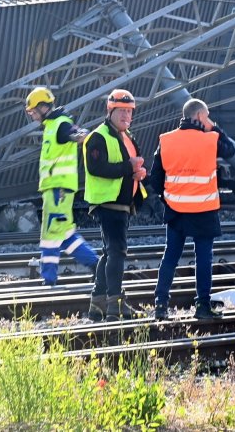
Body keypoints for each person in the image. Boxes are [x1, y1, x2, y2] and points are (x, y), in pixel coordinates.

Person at [149, 97, 235, 321]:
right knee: (203, 258)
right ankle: (202, 306)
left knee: (170, 256)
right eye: (206, 116)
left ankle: (160, 304)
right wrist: (214, 128)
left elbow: (156, 177)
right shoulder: (211, 139)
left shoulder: (166, 140)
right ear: (198, 116)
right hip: (204, 210)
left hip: (175, 209)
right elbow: (231, 151)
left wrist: (167, 196)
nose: (208, 121)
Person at [82, 89, 148, 321]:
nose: (126, 116)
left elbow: (128, 166)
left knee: (109, 253)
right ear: (110, 111)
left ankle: (97, 303)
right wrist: (128, 168)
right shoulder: (98, 137)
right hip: (107, 203)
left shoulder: (127, 137)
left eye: (129, 112)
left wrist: (138, 173)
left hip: (121, 204)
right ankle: (115, 304)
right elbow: (96, 168)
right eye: (121, 111)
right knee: (117, 252)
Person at [24, 86, 99, 287]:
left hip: (59, 189)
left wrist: (81, 134)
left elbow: (75, 132)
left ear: (42, 107)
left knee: (50, 233)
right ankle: (97, 265)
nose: (32, 116)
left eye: (33, 112)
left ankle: (48, 280)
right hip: (56, 189)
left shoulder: (60, 124)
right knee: (64, 233)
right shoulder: (51, 126)